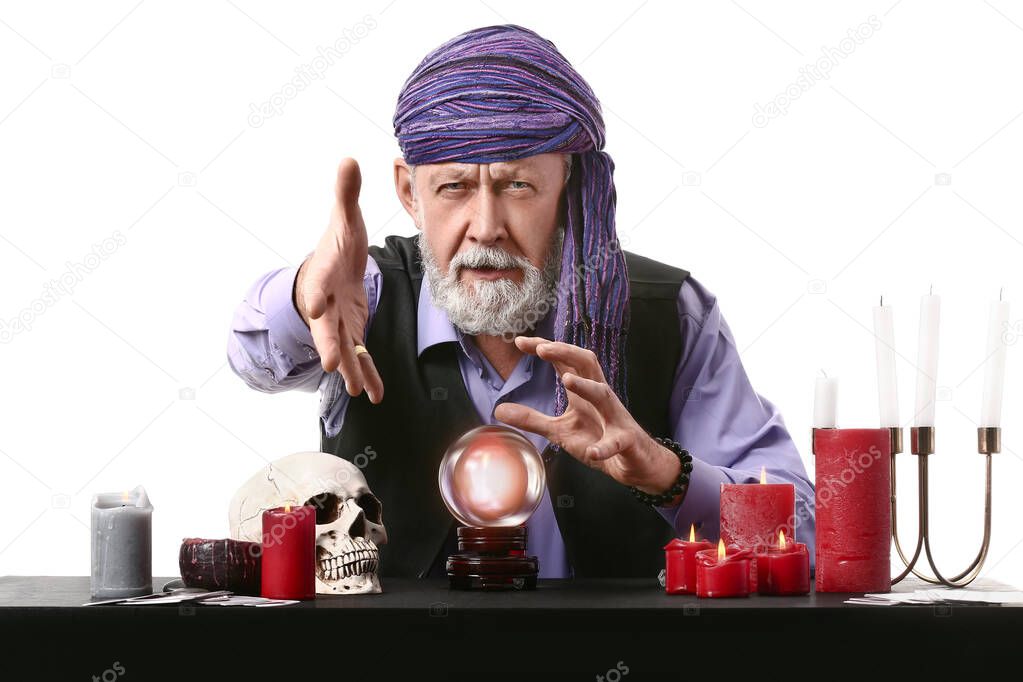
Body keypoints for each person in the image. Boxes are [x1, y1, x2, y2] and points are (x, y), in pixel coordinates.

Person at [228, 24, 814, 579]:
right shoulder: (364, 296)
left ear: (573, 188)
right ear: (410, 192)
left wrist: (664, 474)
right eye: (454, 186)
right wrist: (303, 291)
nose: (485, 227)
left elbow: (806, 538)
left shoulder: (673, 313)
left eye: (518, 186)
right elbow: (253, 359)